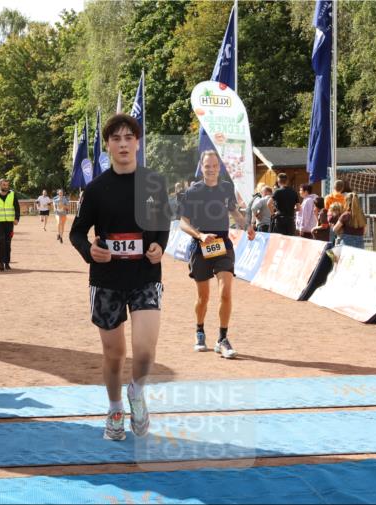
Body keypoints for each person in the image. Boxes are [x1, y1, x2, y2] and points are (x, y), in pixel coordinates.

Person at [69, 113, 171, 441]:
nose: (123, 144)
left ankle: (136, 393)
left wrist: (158, 246)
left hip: (144, 276)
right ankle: (114, 409)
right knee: (114, 355)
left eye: (129, 137)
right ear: (109, 146)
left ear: (138, 143)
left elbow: (163, 225)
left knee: (145, 350)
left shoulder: (154, 183)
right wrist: (90, 250)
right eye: (116, 138)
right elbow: (77, 232)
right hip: (106, 281)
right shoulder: (97, 189)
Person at [179, 150, 252, 359]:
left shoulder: (226, 188)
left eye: (214, 166)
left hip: (223, 246)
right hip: (201, 247)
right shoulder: (192, 192)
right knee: (203, 298)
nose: (211, 170)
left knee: (225, 292)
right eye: (207, 166)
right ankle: (199, 331)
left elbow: (234, 212)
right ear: (201, 168)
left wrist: (246, 225)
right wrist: (200, 235)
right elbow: (183, 222)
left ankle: (222, 339)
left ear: (219, 168)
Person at [0, 178, 20, 271]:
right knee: (1, 242)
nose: (6, 186)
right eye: (4, 185)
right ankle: (1, 263)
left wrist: (17, 218)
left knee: (8, 243)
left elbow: (17, 208)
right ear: (0, 185)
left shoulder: (12, 195)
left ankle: (7, 263)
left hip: (9, 223)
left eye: (7, 185)